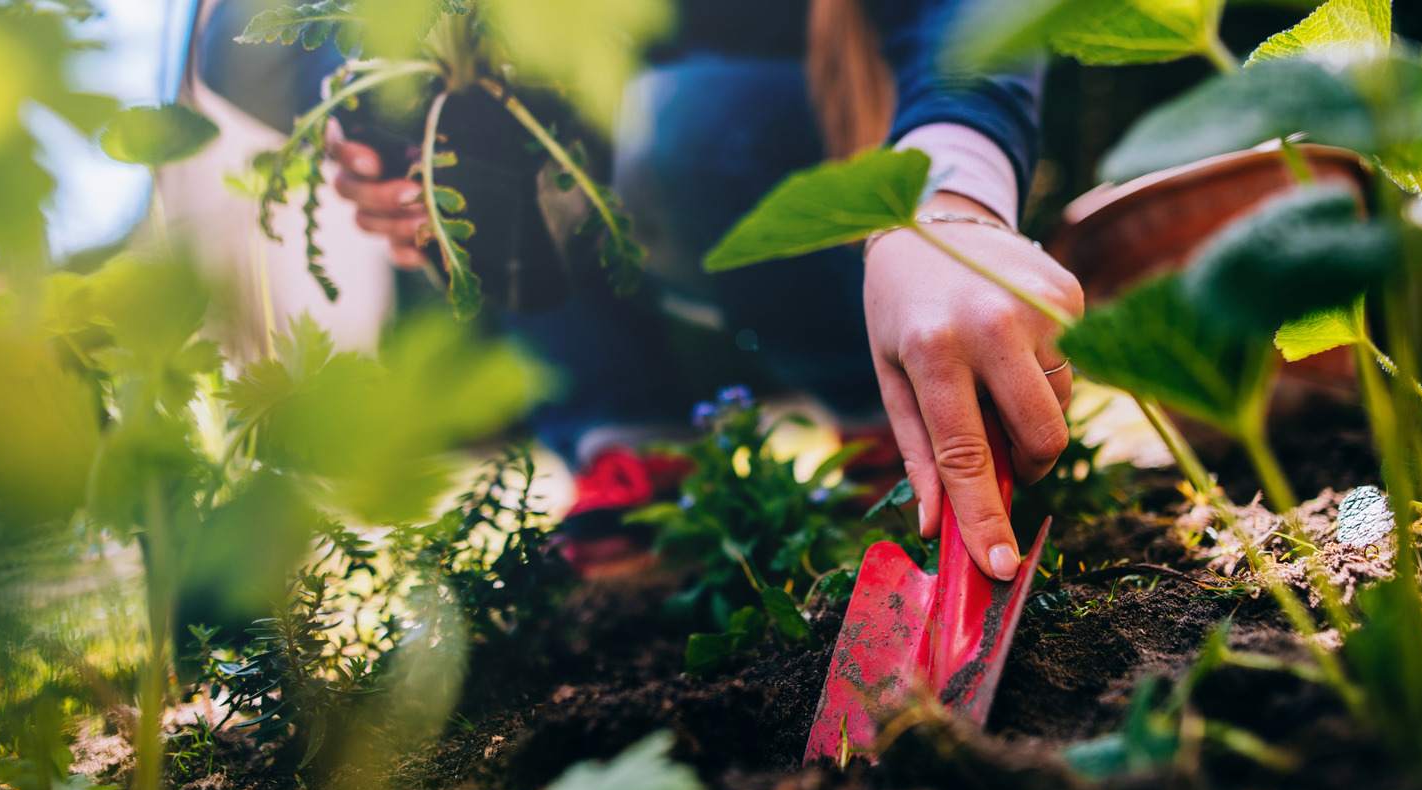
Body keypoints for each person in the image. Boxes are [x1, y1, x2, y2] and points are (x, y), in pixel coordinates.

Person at [327, 0, 1084, 582]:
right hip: (598, 161)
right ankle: (628, 441)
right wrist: (399, 141)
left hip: (808, 129)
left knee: (684, 125)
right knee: (485, 138)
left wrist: (949, 206)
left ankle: (888, 410)